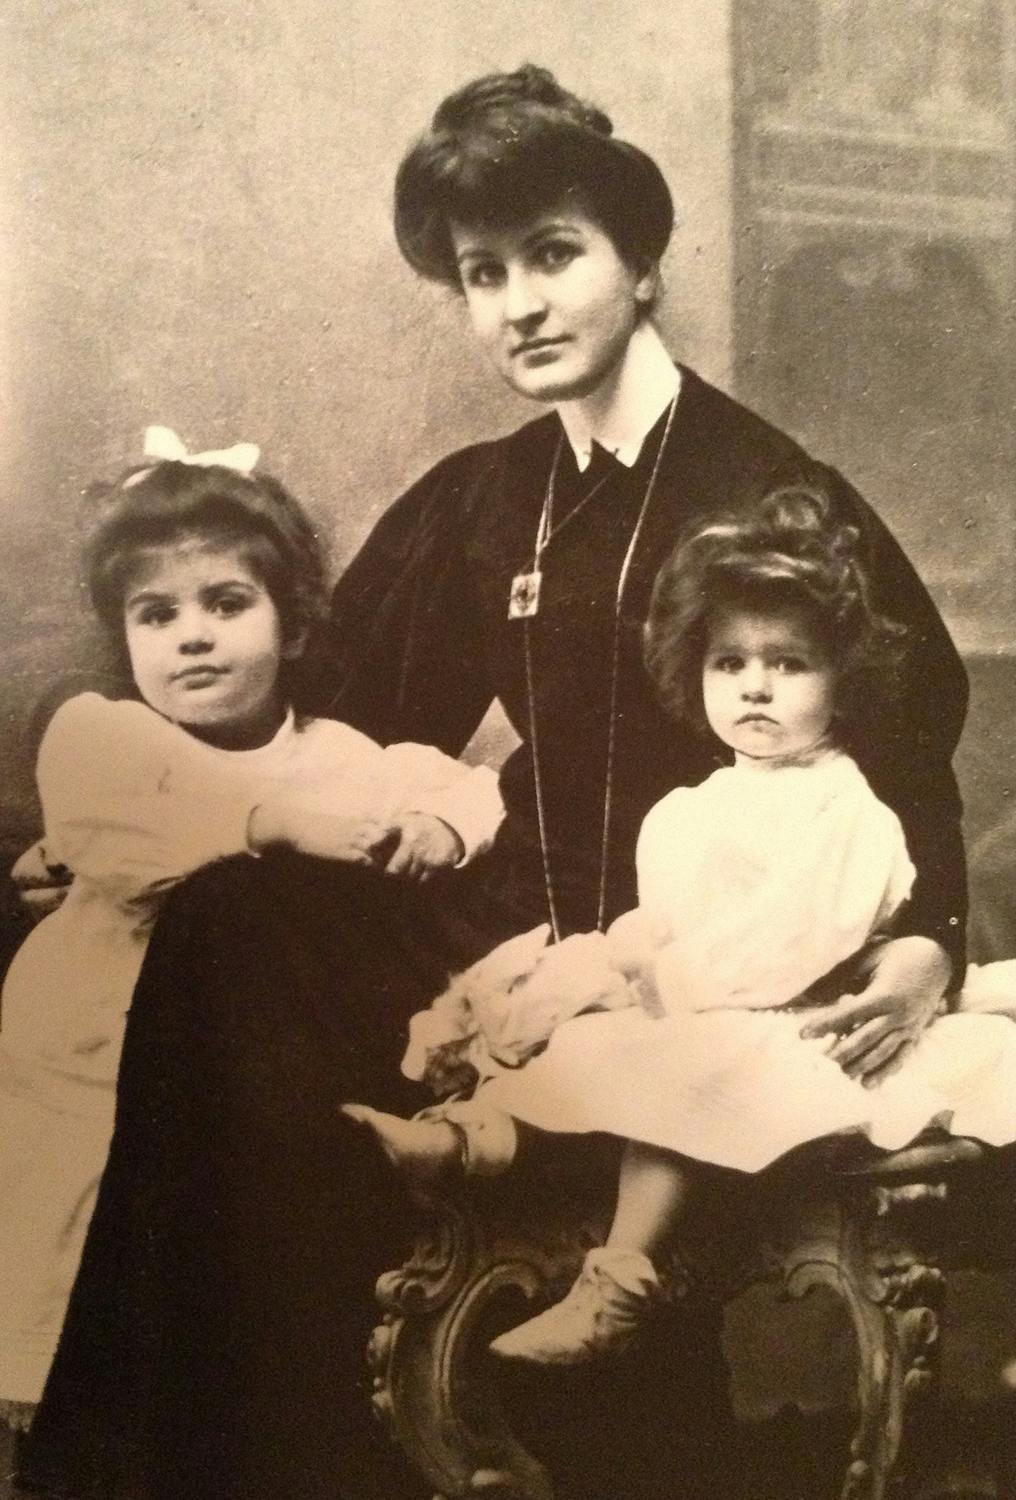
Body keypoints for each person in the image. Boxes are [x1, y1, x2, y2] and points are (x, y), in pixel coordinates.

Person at [15, 65, 967, 1500]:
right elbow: (329, 714)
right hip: (510, 915)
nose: (518, 304)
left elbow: (907, 740)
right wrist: (154, 822)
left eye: (553, 255)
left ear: (642, 264)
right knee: (232, 932)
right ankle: (229, 1461)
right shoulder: (486, 494)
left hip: (695, 951)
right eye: (482, 274)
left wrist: (923, 936)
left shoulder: (768, 488)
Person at [346, 487, 1016, 1368]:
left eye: (790, 664)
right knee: (583, 1044)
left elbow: (790, 950)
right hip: (702, 1009)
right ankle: (472, 1142)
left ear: (843, 682)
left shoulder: (848, 808)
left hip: (800, 1024)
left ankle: (617, 1283)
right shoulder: (689, 811)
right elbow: (666, 924)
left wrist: (657, 976)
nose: (756, 687)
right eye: (729, 663)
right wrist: (605, 967)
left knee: (679, 1070)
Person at [0, 430, 503, 1429]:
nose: (192, 636)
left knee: (217, 1308)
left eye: (225, 605)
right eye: (157, 615)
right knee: (69, 1282)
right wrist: (282, 823)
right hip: (90, 1062)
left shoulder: (334, 750)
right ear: (124, 638)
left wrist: (434, 827)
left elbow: (460, 786)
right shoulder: (111, 735)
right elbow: (125, 817)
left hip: (237, 1091)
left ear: (296, 627)